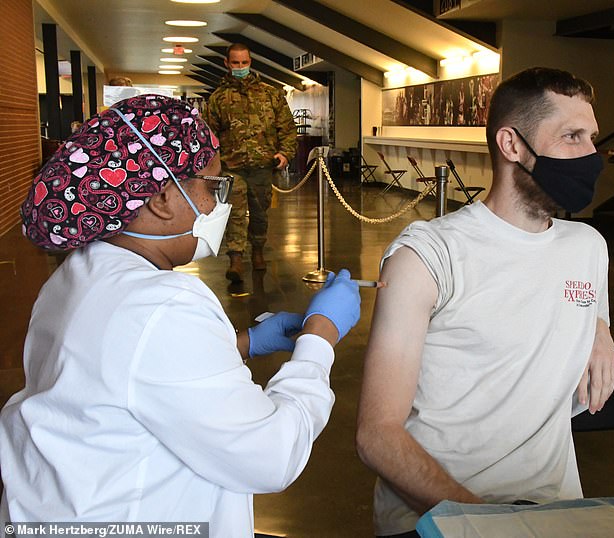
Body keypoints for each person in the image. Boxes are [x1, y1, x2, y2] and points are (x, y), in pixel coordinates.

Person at [0, 95, 360, 537]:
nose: (218, 204)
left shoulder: (81, 271)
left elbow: (121, 372)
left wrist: (242, 344)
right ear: (162, 198)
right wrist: (319, 340)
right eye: (211, 187)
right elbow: (271, 455)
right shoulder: (162, 305)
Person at [355, 67, 614, 537]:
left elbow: (576, 316)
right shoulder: (427, 256)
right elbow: (377, 435)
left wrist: (600, 328)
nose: (592, 156)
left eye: (592, 138)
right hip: (437, 515)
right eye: (571, 137)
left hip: (552, 509)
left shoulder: (587, 245)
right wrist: (487, 523)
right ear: (512, 145)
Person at [205, 43, 297, 283]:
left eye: (244, 62)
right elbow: (208, 137)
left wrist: (285, 153)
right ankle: (235, 259)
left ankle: (257, 250)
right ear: (227, 64)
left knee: (259, 213)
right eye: (235, 63)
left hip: (262, 165)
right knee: (234, 212)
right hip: (231, 167)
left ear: (250, 62)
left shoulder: (270, 94)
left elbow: (287, 128)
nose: (240, 67)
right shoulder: (218, 99)